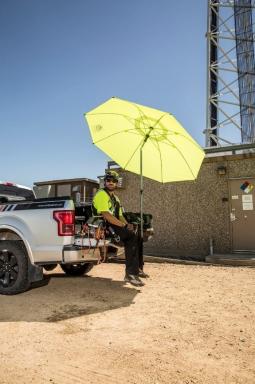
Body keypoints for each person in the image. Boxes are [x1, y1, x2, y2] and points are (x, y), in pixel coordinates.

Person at [92, 170, 148, 287]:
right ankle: (130, 274)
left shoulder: (116, 199)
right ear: (105, 182)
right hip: (104, 225)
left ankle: (137, 268)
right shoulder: (102, 194)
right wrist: (123, 226)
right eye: (108, 180)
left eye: (113, 181)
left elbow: (120, 215)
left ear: (117, 183)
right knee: (131, 237)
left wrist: (127, 225)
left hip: (113, 224)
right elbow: (106, 215)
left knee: (138, 236)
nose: (111, 182)